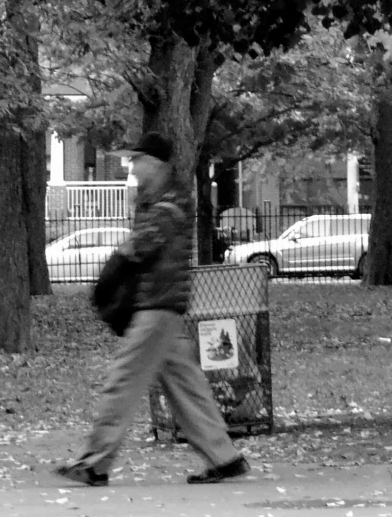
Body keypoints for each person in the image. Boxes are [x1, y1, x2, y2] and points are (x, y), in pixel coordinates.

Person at [54, 132, 250, 485]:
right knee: (187, 388)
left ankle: (94, 463)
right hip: (165, 306)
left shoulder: (166, 207)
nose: (132, 168)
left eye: (137, 161)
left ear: (156, 165)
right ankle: (225, 457)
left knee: (123, 381)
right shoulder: (164, 200)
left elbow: (139, 248)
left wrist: (109, 274)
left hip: (156, 308)